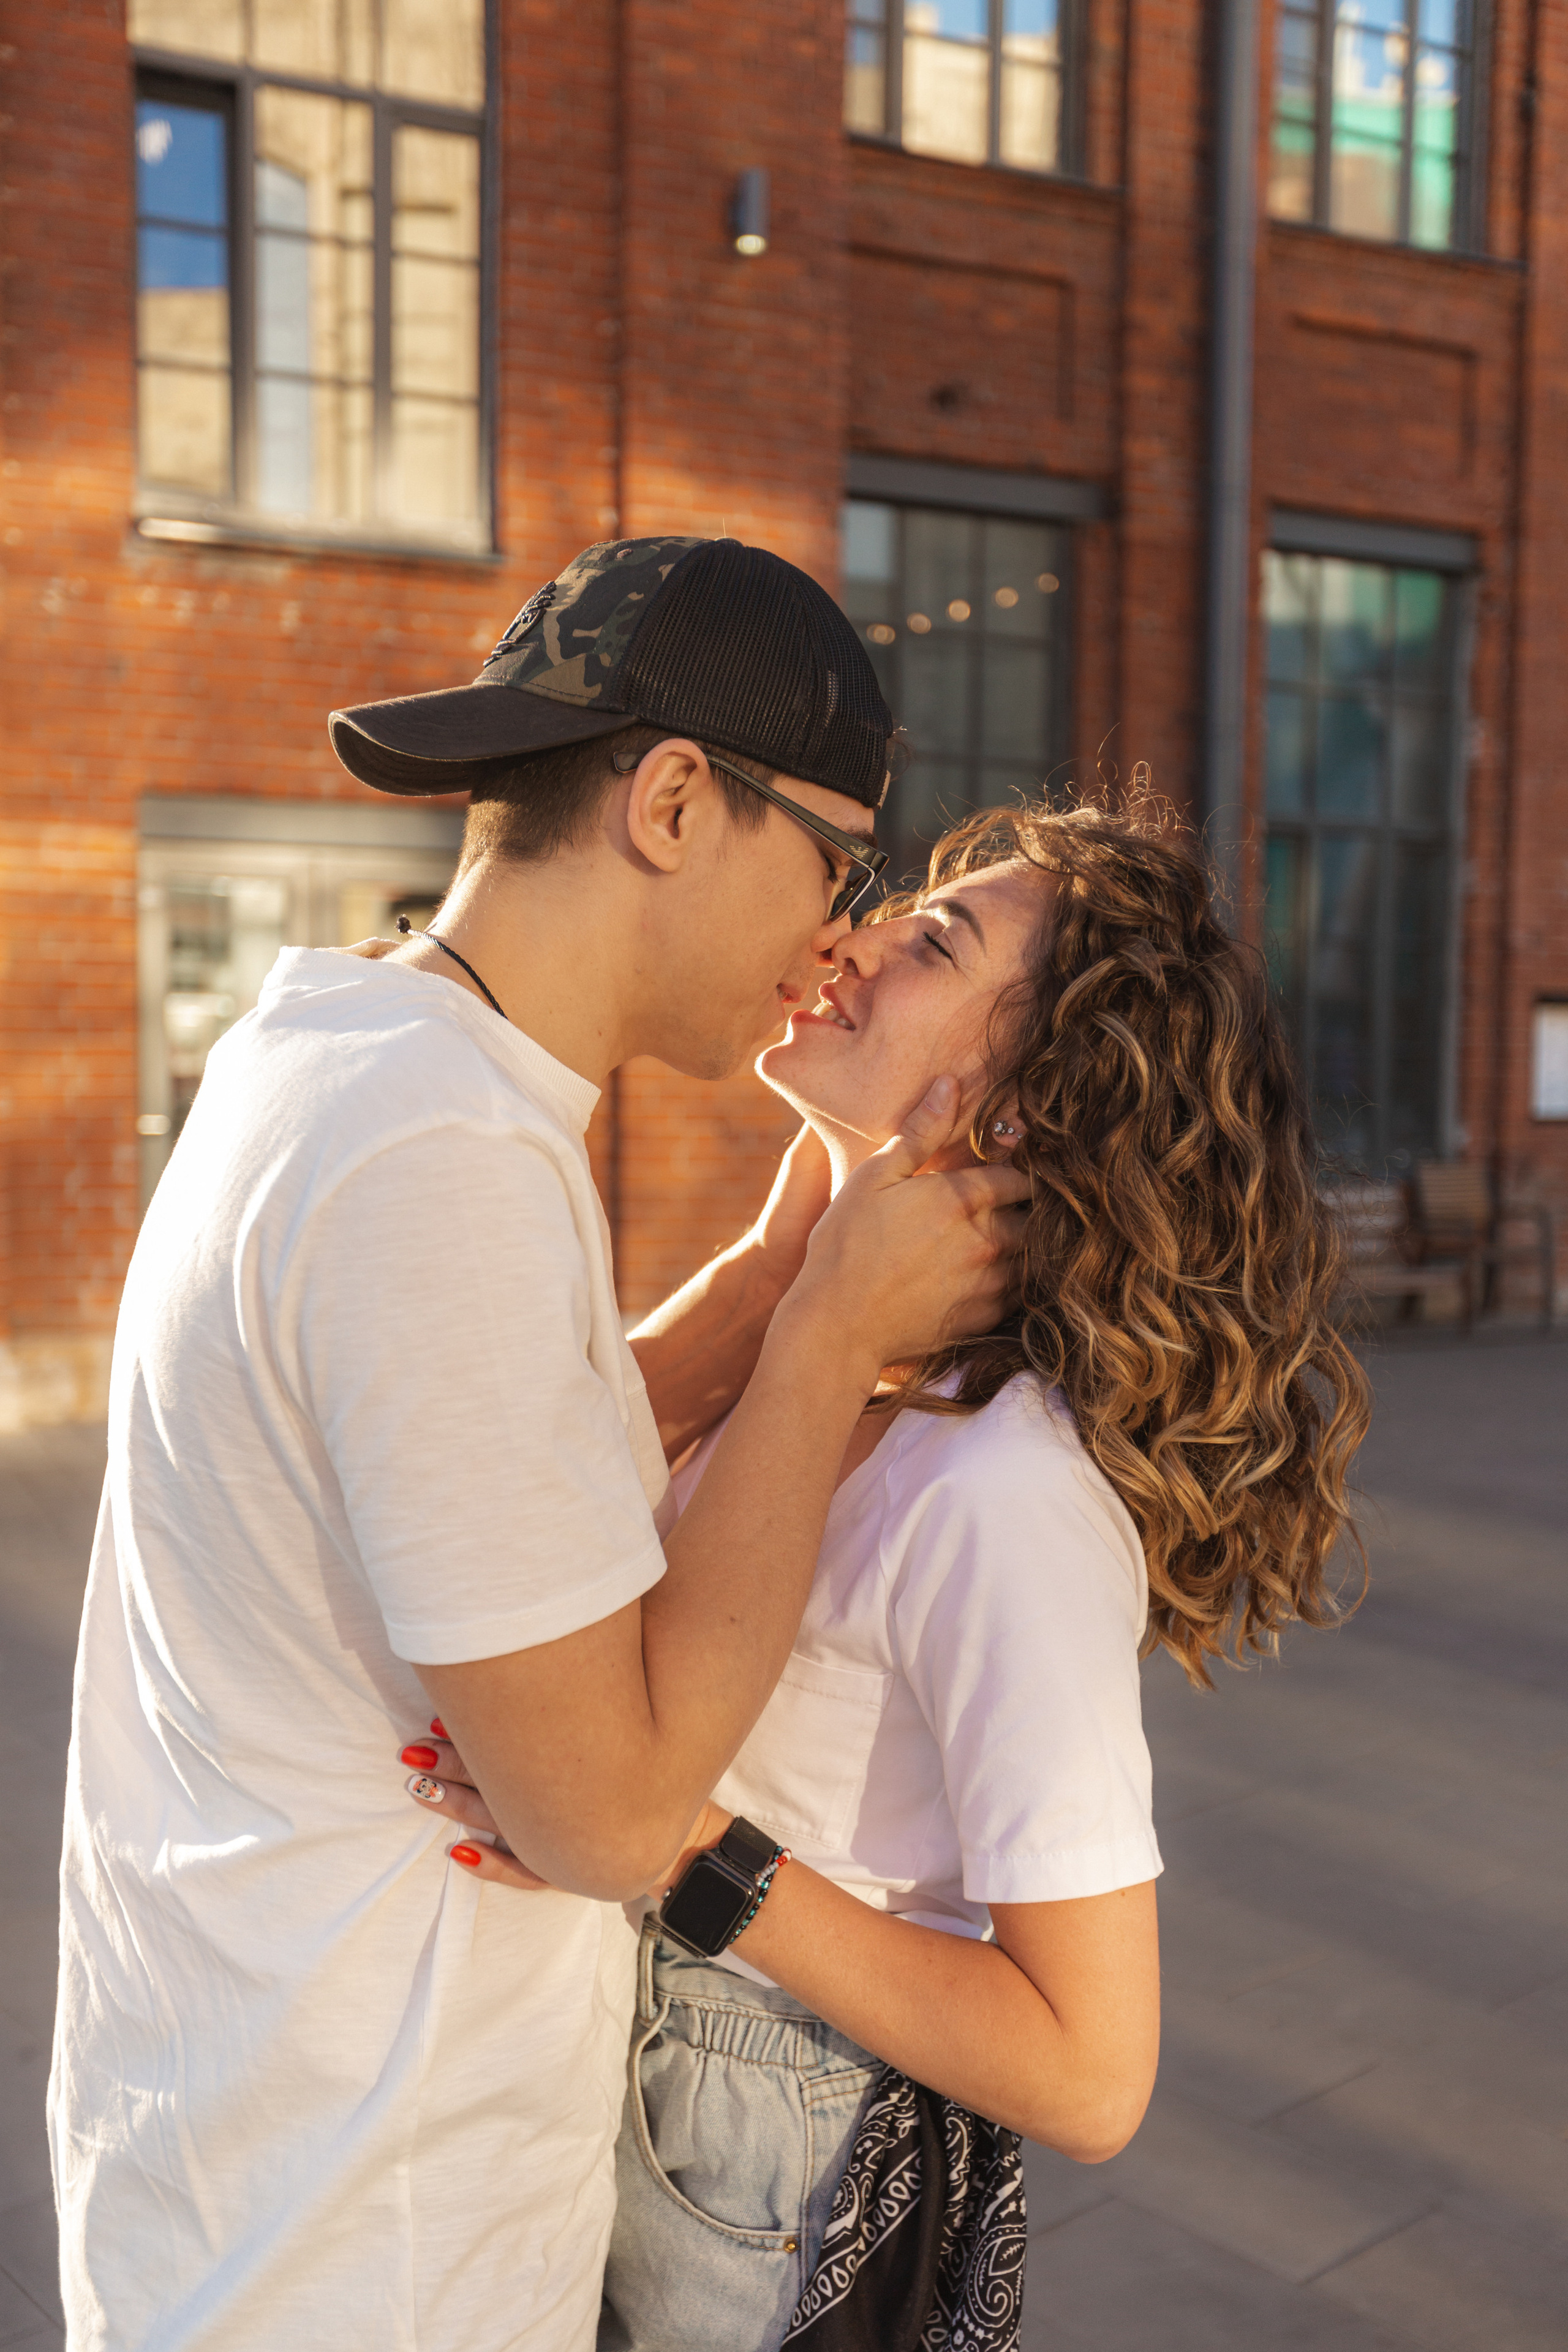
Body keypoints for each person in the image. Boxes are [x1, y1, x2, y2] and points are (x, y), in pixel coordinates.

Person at [48, 536, 1030, 2352]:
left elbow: (500, 1459)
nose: (839, 933)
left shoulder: (353, 1052)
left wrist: (770, 1276)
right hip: (359, 2245)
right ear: (672, 801)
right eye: (839, 860)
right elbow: (611, 1812)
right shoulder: (444, 1167)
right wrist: (827, 1345)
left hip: (259, 2183)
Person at [404, 792, 1371, 2352]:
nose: (845, 941)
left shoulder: (1002, 1492)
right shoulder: (822, 1377)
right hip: (655, 2084)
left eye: (930, 942)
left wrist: (670, 1850)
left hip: (783, 2156)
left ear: (1014, 1106)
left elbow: (1088, 2072)